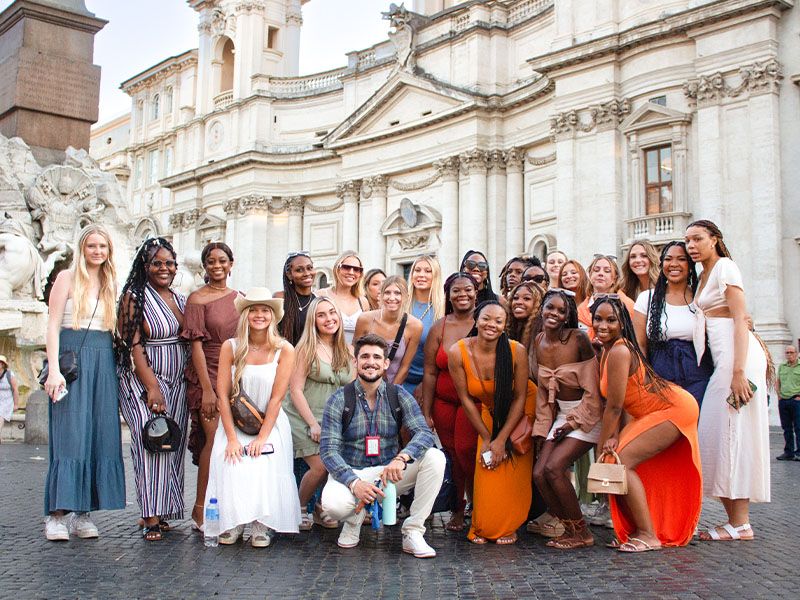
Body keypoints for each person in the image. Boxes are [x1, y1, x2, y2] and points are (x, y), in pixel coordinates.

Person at [319, 333, 445, 558]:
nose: (371, 362)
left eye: (377, 357)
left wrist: (402, 458)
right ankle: (353, 519)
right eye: (365, 356)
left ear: (386, 364)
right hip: (352, 471)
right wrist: (354, 482)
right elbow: (328, 451)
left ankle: (413, 532)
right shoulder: (339, 398)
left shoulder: (398, 395)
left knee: (436, 457)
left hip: (388, 474)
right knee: (333, 505)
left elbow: (424, 433)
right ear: (355, 362)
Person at [593, 295, 702, 552]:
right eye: (598, 318)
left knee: (621, 462)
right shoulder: (609, 350)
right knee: (618, 461)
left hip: (674, 409)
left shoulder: (620, 350)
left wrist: (603, 444)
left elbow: (615, 406)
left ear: (623, 324)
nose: (603, 325)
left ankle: (648, 534)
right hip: (656, 411)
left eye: (611, 320)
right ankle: (637, 529)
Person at [686, 219, 770, 541]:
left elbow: (739, 320)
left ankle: (741, 523)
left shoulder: (725, 268)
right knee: (718, 435)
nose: (692, 245)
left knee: (733, 434)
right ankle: (736, 521)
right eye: (688, 241)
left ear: (715, 239)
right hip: (725, 361)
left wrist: (737, 373)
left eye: (698, 239)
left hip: (738, 362)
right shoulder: (704, 274)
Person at [42, 224, 125, 541]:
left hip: (102, 360)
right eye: (92, 246)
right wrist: (53, 370)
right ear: (82, 248)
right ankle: (56, 515)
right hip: (71, 360)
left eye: (103, 246)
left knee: (98, 434)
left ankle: (83, 513)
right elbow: (51, 327)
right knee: (70, 435)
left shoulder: (109, 282)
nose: (98, 252)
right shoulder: (66, 278)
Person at [207, 288, 300, 547]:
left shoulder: (284, 349)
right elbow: (222, 395)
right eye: (254, 310)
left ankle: (261, 523)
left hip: (269, 423)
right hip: (234, 421)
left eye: (265, 310)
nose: (259, 315)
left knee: (263, 463)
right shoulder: (231, 347)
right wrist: (232, 438)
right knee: (231, 461)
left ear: (272, 316)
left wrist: (262, 437)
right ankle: (234, 521)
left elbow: (277, 398)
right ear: (246, 315)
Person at [116, 237, 189, 541]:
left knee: (172, 442)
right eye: (157, 263)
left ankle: (165, 508)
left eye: (169, 263)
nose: (164, 268)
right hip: (143, 379)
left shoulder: (180, 298)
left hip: (178, 379)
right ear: (144, 266)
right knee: (150, 442)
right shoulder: (135, 297)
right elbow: (132, 344)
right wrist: (151, 387)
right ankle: (150, 516)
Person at [449, 300, 536, 545]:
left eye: (499, 321)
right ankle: (485, 524)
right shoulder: (458, 352)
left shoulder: (515, 350)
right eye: (487, 318)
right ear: (476, 320)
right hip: (489, 410)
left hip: (520, 411)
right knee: (487, 464)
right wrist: (488, 438)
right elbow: (466, 399)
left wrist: (501, 439)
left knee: (510, 466)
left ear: (505, 325)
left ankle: (509, 526)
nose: (492, 325)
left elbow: (520, 397)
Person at [530, 289, 602, 549]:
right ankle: (569, 526)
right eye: (551, 307)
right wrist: (542, 429)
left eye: (562, 311)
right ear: (542, 308)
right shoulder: (538, 340)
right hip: (560, 414)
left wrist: (574, 422)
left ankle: (581, 531)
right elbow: (542, 393)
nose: (555, 314)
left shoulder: (578, 339)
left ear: (568, 316)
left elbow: (594, 389)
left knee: (554, 468)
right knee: (539, 473)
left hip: (588, 413)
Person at [181, 242, 238, 530]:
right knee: (212, 439)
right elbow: (196, 347)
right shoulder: (197, 299)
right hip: (207, 372)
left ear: (231, 263)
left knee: (231, 440)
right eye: (211, 261)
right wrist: (206, 389)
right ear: (204, 266)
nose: (217, 266)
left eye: (222, 261)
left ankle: (227, 504)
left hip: (234, 374)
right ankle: (199, 508)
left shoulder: (239, 298)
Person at [286, 297, 355, 529]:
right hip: (303, 415)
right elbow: (295, 390)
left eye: (332, 313)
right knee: (320, 466)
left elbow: (352, 389)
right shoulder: (305, 349)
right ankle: (299, 507)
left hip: (333, 419)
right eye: (321, 315)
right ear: (313, 321)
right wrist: (313, 424)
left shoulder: (348, 350)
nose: (329, 319)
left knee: (334, 463)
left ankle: (319, 508)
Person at [421, 272, 479, 531]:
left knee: (468, 452)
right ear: (448, 295)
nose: (462, 294)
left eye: (468, 289)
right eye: (456, 290)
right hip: (444, 403)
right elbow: (430, 372)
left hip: (474, 403)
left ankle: (479, 504)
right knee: (452, 456)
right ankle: (457, 509)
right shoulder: (439, 327)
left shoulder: (484, 321)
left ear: (476, 292)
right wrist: (426, 411)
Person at [632, 242, 713, 405]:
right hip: (660, 373)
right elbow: (639, 344)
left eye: (681, 259)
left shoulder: (702, 297)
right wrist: (646, 378)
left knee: (695, 424)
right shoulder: (646, 298)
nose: (674, 264)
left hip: (697, 374)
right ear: (662, 265)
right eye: (668, 259)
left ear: (690, 265)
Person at [353, 276, 422, 386]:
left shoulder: (415, 326)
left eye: (397, 293)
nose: (392, 297)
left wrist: (390, 394)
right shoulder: (365, 319)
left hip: (394, 386)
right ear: (380, 295)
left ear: (406, 297)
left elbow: (405, 367)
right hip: (363, 385)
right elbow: (355, 356)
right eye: (387, 292)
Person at [402, 256, 444, 397]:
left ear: (435, 276)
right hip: (398, 380)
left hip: (430, 383)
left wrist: (426, 384)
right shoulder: (400, 304)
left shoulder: (443, 309)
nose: (421, 275)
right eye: (417, 270)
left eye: (428, 271)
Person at [577, 255, 634, 338]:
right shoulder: (581, 309)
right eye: (596, 270)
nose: (600, 273)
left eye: (607, 271)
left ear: (615, 279)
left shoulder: (626, 305)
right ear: (590, 275)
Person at [317, 251, 367, 346]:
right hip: (327, 354)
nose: (351, 272)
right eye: (346, 267)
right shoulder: (321, 295)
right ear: (337, 269)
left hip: (354, 357)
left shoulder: (363, 301)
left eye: (357, 269)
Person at [275, 251, 317, 345]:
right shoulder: (280, 298)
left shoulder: (318, 302)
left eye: (309, 268)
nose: (307, 273)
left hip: (310, 357)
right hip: (285, 356)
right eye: (299, 270)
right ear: (289, 274)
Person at [777, 345, 800, 461]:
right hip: (783, 401)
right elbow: (778, 382)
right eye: (787, 353)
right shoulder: (782, 367)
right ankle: (789, 452)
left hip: (796, 400)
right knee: (786, 428)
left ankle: (799, 453)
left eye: (791, 352)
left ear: (796, 353)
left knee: (799, 427)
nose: (789, 355)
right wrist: (779, 396)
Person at [506, 281, 544, 347]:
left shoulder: (541, 332)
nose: (519, 302)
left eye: (526, 298)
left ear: (538, 304)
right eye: (516, 298)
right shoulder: (507, 327)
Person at [0, 354, 20, 435]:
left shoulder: (9, 374)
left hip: (7, 400)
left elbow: (15, 390)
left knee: (0, 415)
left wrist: (16, 404)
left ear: (3, 365)